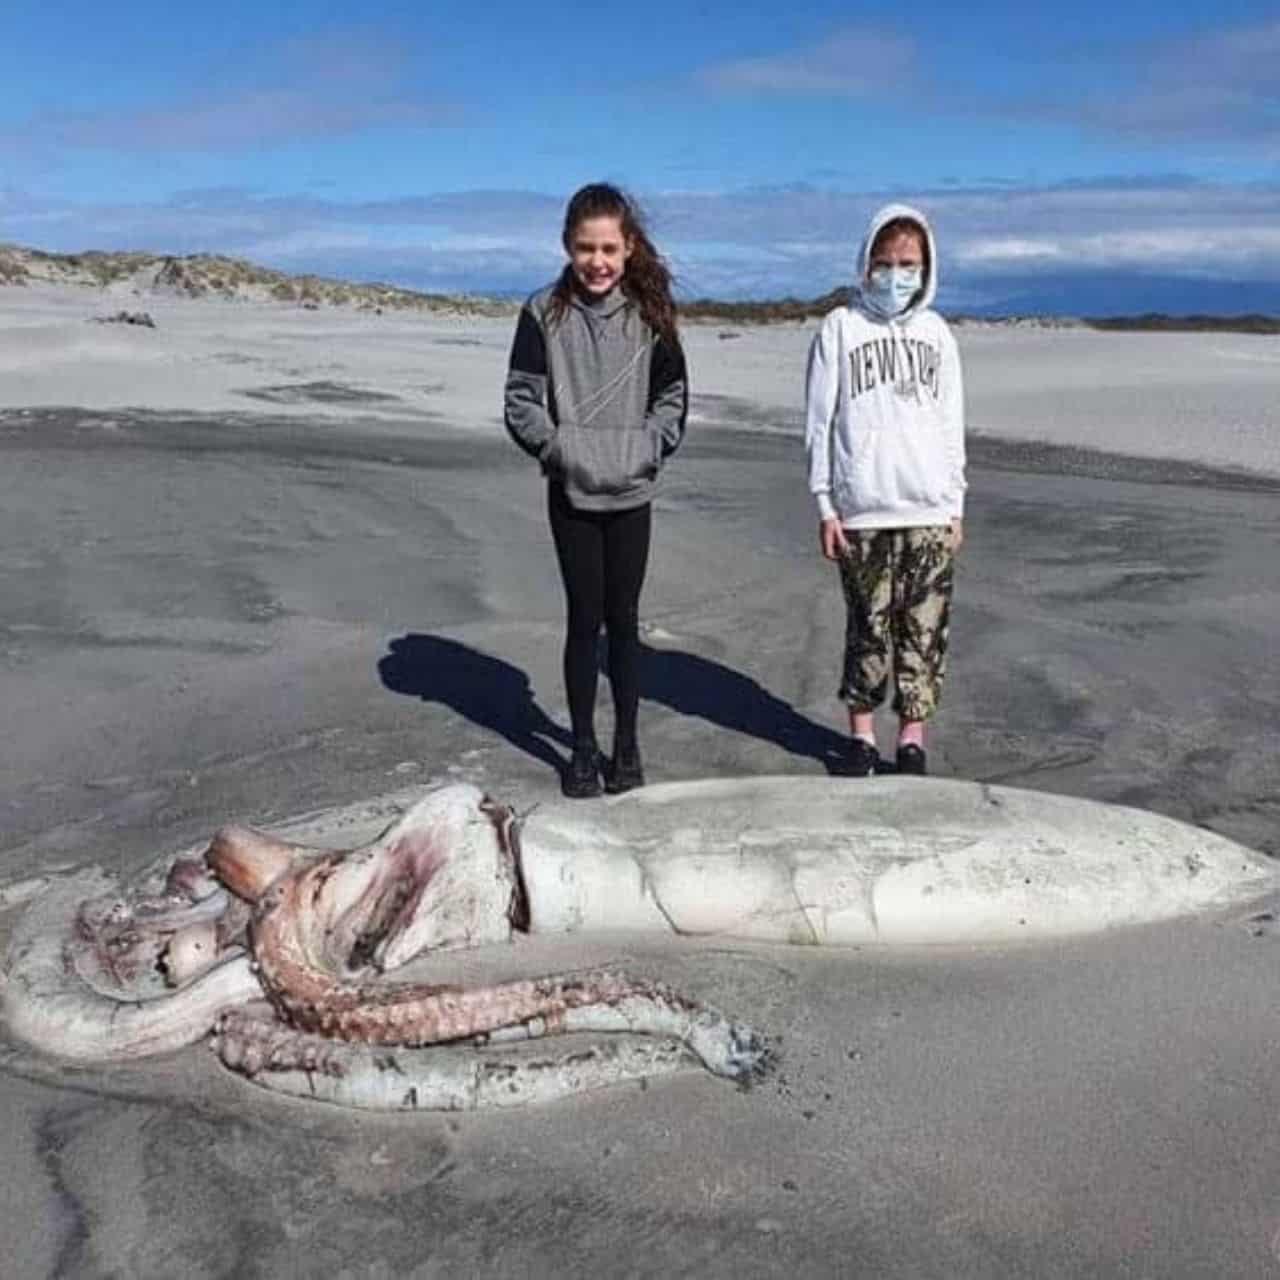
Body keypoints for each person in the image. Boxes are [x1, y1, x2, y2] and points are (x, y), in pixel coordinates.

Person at [504, 183, 688, 798]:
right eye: (586, 248)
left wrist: (646, 449)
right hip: (573, 493)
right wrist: (562, 452)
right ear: (567, 246)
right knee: (584, 621)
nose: (598, 262)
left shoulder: (652, 315)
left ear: (629, 247)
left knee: (625, 622)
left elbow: (674, 400)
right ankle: (582, 748)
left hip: (632, 492)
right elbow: (521, 402)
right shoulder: (542, 312)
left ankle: (627, 747)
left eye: (609, 248)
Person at [804, 202, 966, 777]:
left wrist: (955, 503)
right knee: (867, 627)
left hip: (928, 506)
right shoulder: (840, 329)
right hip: (862, 510)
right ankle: (863, 736)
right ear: (866, 263)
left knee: (923, 629)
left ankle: (912, 739)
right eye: (886, 262)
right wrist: (826, 504)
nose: (896, 274)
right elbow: (820, 421)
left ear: (926, 268)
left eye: (908, 263)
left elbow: (951, 422)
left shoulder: (937, 334)